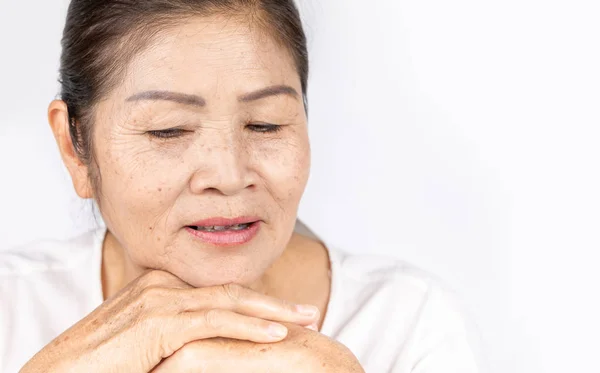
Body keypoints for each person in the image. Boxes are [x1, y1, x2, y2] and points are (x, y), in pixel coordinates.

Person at [0, 0, 480, 372]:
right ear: (74, 146)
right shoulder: (12, 309)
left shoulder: (406, 321)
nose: (229, 176)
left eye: (265, 125)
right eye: (167, 130)